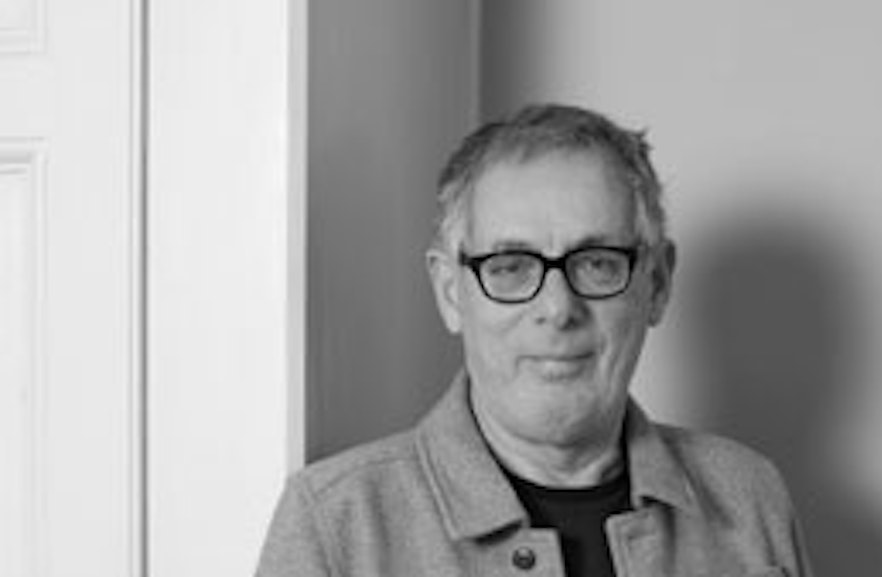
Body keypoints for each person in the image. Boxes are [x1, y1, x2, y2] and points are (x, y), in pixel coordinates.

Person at [256, 104, 813, 577]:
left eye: (596, 263)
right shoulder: (336, 525)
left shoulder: (748, 499)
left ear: (658, 284)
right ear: (451, 293)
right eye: (510, 267)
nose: (557, 309)